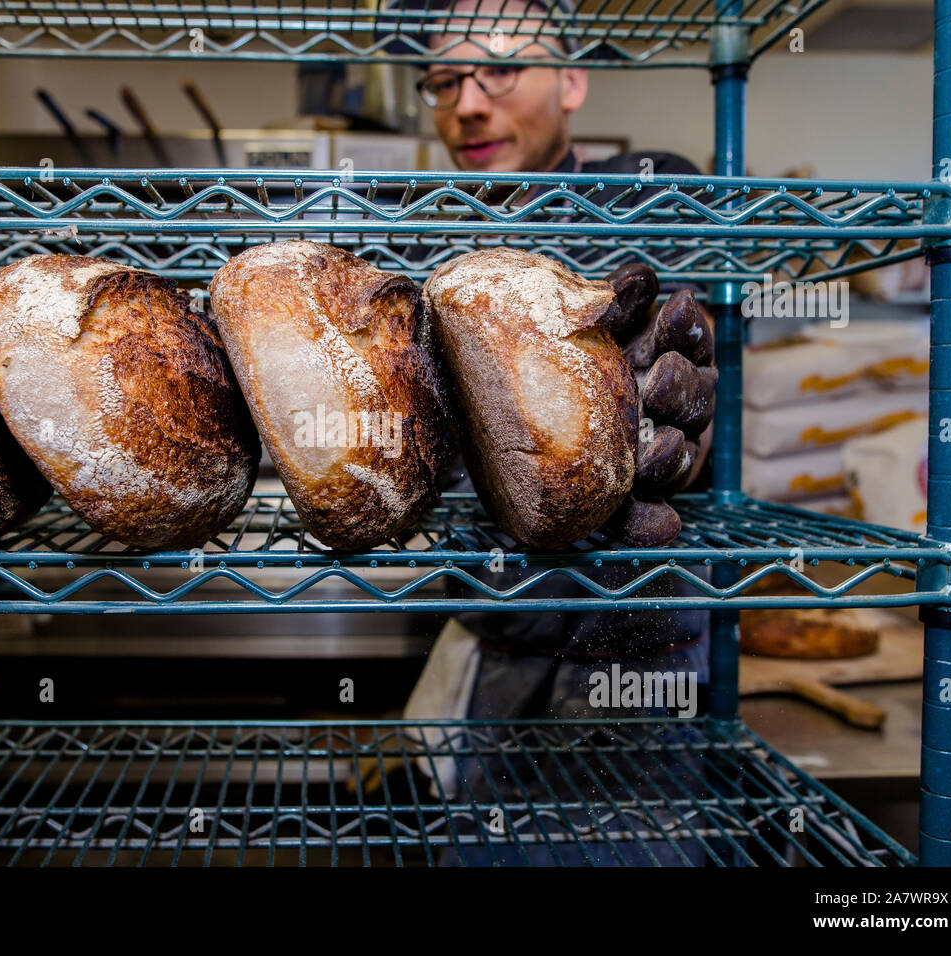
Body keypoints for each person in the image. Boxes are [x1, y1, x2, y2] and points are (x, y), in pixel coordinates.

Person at [393, 0, 729, 865]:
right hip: (500, 654)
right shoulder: (434, 244)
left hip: (639, 664)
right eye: (443, 80)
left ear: (572, 82)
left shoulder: (647, 200)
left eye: (500, 71)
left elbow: (700, 425)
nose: (468, 102)